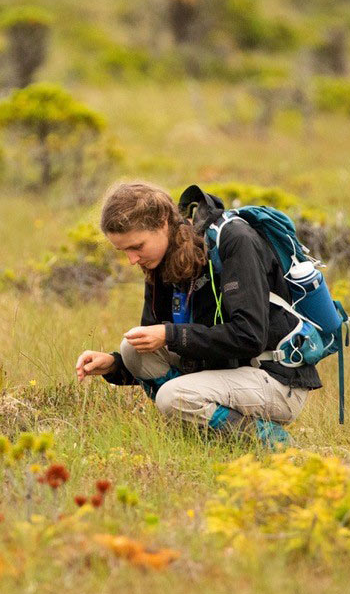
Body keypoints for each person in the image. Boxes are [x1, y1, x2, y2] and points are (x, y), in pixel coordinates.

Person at [74, 181, 321, 447]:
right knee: (133, 350)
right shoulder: (159, 261)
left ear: (163, 222)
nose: (132, 260)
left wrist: (170, 334)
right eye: (124, 251)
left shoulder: (234, 242)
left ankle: (273, 442)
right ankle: (190, 420)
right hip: (226, 371)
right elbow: (159, 345)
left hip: (275, 380)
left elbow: (250, 336)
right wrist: (113, 365)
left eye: (137, 246)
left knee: (173, 396)